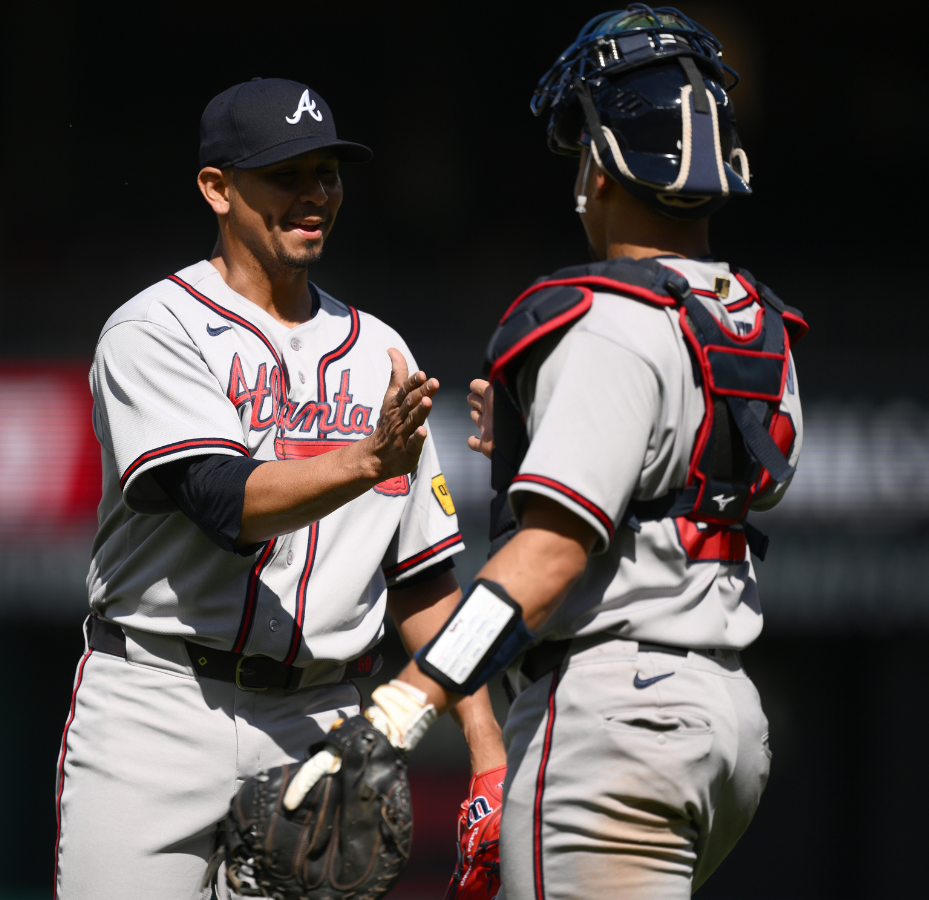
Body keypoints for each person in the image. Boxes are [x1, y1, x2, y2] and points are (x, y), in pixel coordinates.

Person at [284, 7, 807, 898]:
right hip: (725, 724)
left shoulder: (607, 322)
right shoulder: (752, 317)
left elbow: (552, 554)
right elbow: (678, 482)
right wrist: (538, 443)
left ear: (601, 169)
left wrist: (406, 704)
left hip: (615, 720)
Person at [52, 77, 504, 900]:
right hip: (158, 701)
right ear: (217, 189)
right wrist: (365, 462)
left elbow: (426, 580)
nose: (314, 195)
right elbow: (225, 498)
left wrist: (486, 747)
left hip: (321, 719)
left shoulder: (381, 354)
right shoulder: (156, 328)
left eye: (328, 172)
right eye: (287, 173)